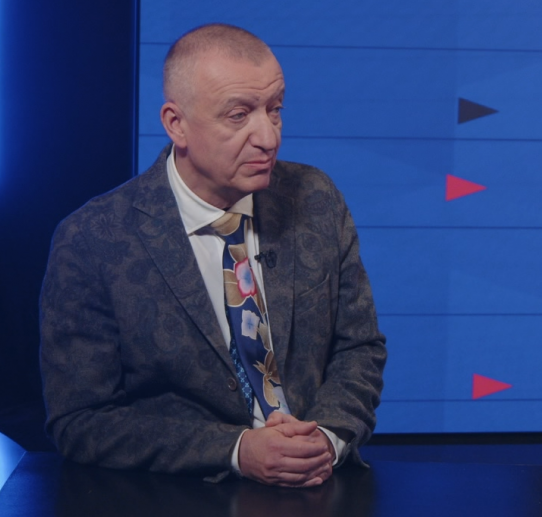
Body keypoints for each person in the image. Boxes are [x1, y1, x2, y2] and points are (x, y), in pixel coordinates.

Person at [39, 24, 386, 488]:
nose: (268, 137)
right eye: (239, 115)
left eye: (275, 110)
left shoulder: (316, 199)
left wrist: (325, 438)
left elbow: (359, 348)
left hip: (318, 484)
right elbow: (80, 420)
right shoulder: (93, 240)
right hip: (181, 495)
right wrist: (237, 450)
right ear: (176, 124)